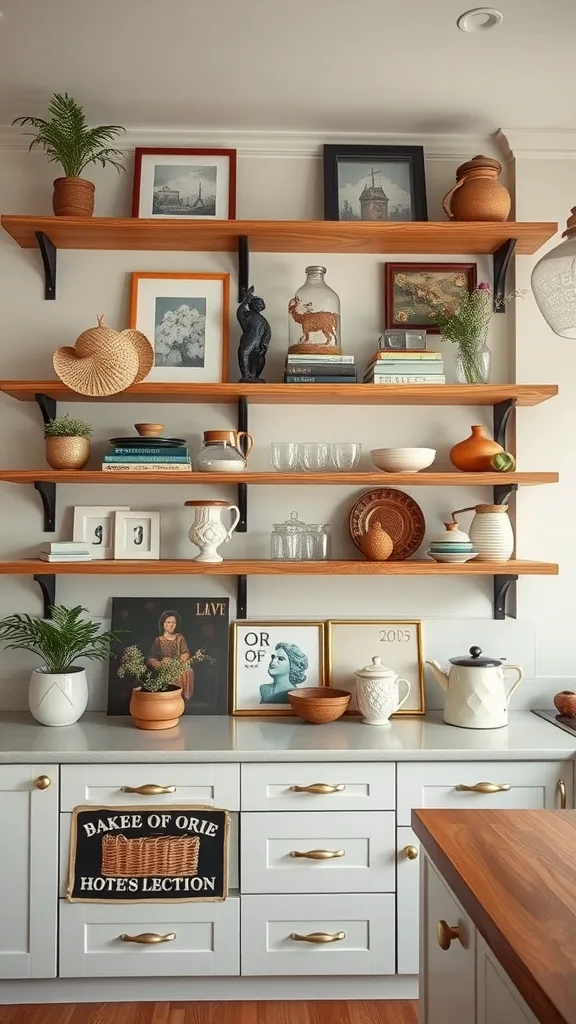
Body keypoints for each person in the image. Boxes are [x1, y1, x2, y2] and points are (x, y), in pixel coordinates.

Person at [147, 610, 194, 700]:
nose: (172, 625)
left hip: (178, 665)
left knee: (187, 671)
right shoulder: (158, 640)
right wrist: (158, 663)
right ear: (163, 624)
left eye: (174, 622)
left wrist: (180, 660)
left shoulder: (180, 638)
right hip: (164, 666)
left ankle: (180, 698)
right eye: (169, 622)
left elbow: (185, 652)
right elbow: (151, 657)